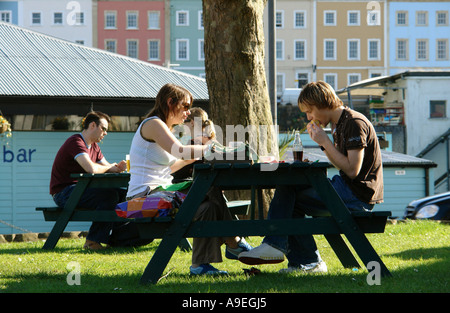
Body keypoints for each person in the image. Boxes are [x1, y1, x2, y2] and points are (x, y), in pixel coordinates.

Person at [238, 81, 384, 273]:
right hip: (347, 188)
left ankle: (281, 248)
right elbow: (342, 162)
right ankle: (305, 262)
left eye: (310, 111)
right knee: (291, 193)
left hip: (357, 195)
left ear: (323, 103)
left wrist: (324, 142)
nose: (308, 117)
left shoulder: (354, 123)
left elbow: (352, 170)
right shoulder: (338, 124)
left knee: (290, 189)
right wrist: (324, 144)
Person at [126, 83, 251, 275]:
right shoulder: (153, 124)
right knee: (207, 188)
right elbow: (180, 151)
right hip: (142, 199)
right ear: (170, 102)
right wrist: (212, 149)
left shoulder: (163, 127)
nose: (187, 112)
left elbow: (173, 164)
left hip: (158, 193)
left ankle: (200, 266)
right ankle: (234, 242)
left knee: (207, 206)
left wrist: (195, 156)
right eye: (185, 106)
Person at [50, 111, 128, 250]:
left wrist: (117, 167)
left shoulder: (95, 147)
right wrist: (110, 167)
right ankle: (92, 242)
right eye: (103, 128)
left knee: (124, 194)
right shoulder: (76, 142)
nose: (105, 133)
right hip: (64, 194)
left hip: (80, 190)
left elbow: (107, 167)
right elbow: (91, 168)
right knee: (110, 196)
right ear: (93, 125)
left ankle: (118, 238)